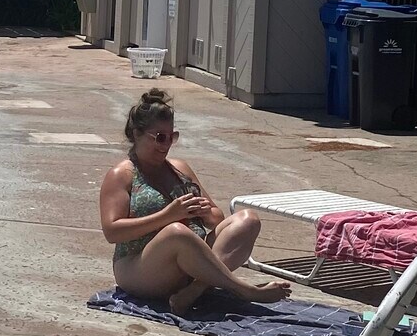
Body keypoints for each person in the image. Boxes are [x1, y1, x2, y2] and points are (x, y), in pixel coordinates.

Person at [99, 85, 290, 315]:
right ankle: (244, 290)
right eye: (160, 138)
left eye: (172, 137)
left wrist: (203, 211)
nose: (166, 145)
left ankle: (196, 290)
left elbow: (216, 219)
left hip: (190, 266)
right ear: (137, 134)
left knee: (247, 219)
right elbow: (112, 232)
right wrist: (168, 216)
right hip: (139, 267)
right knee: (176, 232)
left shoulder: (180, 169)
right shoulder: (122, 175)